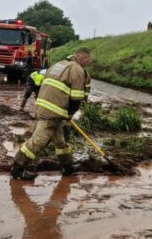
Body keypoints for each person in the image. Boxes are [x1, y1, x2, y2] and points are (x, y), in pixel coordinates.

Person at [11, 48, 92, 179]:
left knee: (60, 142)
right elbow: (76, 97)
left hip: (44, 107)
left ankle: (67, 166)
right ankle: (17, 168)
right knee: (38, 141)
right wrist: (70, 114)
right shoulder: (77, 70)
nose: (88, 63)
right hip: (53, 112)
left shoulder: (58, 64)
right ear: (83, 58)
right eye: (88, 60)